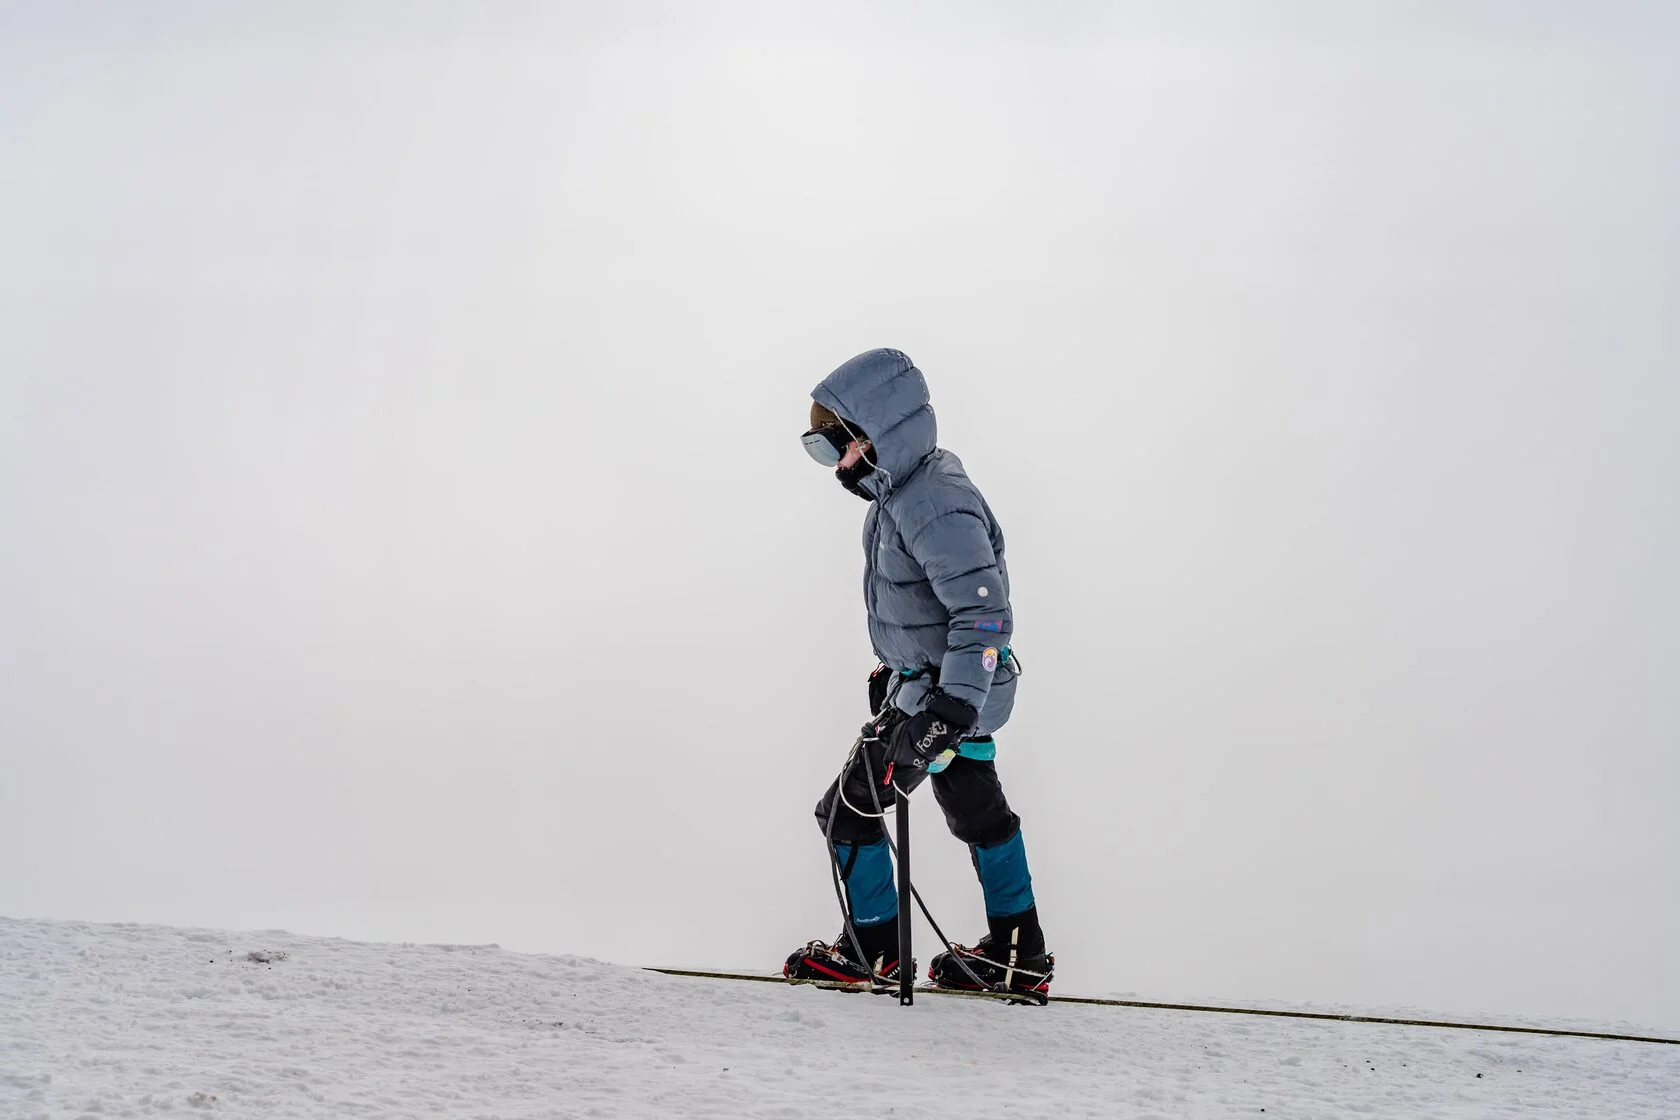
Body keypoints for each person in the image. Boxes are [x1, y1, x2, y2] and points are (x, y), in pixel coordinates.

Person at [783, 348, 1052, 996]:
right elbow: (921, 609)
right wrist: (896, 670)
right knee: (977, 811)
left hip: (948, 699)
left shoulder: (933, 501)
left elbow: (982, 615)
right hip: (943, 690)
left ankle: (873, 948)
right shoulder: (898, 497)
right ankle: (1018, 953)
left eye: (836, 447)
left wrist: (946, 710)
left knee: (849, 809)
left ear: (878, 431)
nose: (836, 465)